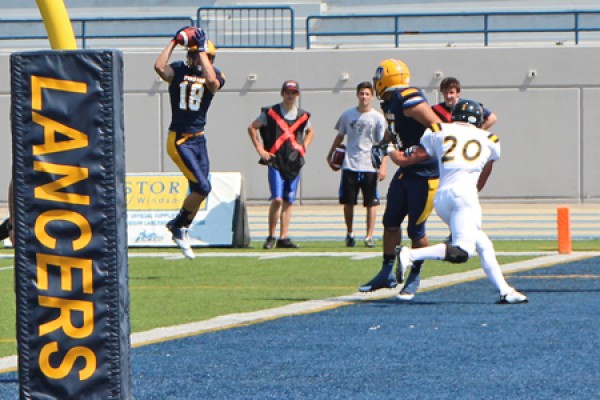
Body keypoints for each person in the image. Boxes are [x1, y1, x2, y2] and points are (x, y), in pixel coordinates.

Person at [394, 99, 528, 304]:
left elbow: (422, 153)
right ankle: (410, 254)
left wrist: (393, 150)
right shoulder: (490, 138)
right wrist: (473, 193)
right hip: (464, 196)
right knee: (462, 252)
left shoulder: (438, 129)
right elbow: (485, 174)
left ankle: (505, 291)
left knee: (483, 243)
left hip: (442, 197)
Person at [358, 59, 442, 297]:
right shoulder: (391, 102)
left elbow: (438, 127)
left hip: (425, 174)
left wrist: (416, 155)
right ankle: (386, 273)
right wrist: (383, 144)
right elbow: (394, 129)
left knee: (417, 231)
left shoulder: (408, 98)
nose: (376, 82)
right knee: (390, 222)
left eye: (379, 77)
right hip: (407, 173)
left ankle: (414, 277)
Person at [154, 26, 225, 259]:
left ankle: (180, 226)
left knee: (202, 189)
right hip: (180, 139)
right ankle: (178, 226)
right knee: (202, 187)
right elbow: (159, 67)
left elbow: (212, 81)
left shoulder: (215, 75)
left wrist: (202, 51)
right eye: (197, 54)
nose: (202, 59)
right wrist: (174, 42)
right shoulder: (178, 70)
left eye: (206, 56)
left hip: (199, 139)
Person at [247, 80, 314, 250]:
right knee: (277, 199)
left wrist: (303, 146)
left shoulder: (303, 115)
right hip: (276, 160)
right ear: (282, 93)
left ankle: (283, 237)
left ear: (297, 95)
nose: (290, 96)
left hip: (294, 162)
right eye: (287, 92)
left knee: (288, 200)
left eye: (293, 92)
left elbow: (311, 131)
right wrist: (260, 149)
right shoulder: (270, 112)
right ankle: (271, 235)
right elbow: (252, 128)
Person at [326, 81, 387, 248]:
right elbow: (340, 136)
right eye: (361, 93)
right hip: (350, 163)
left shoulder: (377, 117)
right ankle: (350, 233)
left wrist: (383, 166)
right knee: (348, 202)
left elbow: (384, 143)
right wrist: (330, 154)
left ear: (372, 96)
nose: (364, 97)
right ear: (357, 95)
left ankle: (369, 236)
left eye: (367, 94)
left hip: (370, 164)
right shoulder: (348, 115)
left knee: (371, 203)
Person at [432, 77, 497, 130]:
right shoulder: (435, 109)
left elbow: (492, 118)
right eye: (445, 93)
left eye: (451, 93)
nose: (448, 96)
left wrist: (480, 131)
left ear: (458, 93)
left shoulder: (468, 106)